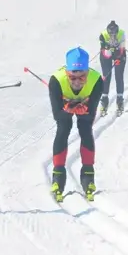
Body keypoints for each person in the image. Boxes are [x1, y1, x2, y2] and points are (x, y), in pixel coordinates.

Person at [48, 47, 103, 202]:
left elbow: (90, 114)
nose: (77, 82)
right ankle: (58, 175)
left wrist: (82, 108)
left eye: (82, 77)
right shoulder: (56, 81)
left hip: (82, 105)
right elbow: (57, 115)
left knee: (85, 129)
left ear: (87, 74)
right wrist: (69, 108)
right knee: (63, 128)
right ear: (67, 73)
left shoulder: (97, 80)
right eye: (73, 78)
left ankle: (88, 175)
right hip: (65, 107)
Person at [99, 20, 126, 114]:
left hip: (119, 52)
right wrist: (108, 48)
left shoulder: (121, 34)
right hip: (106, 53)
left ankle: (120, 100)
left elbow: (122, 49)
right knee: (106, 75)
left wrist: (119, 58)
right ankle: (104, 100)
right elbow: (105, 53)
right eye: (111, 34)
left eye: (115, 34)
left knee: (119, 75)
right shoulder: (103, 35)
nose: (113, 36)